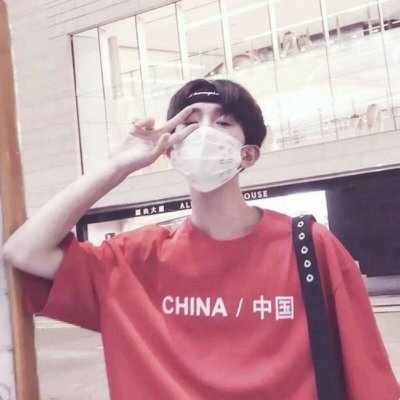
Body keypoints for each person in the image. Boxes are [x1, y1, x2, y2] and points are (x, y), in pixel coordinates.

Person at [3, 79, 400, 400]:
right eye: (191, 123)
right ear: (171, 148)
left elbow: (370, 379)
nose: (205, 132)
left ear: (248, 155)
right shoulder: (134, 259)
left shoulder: (309, 247)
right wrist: (116, 165)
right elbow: (24, 250)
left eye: (223, 122)